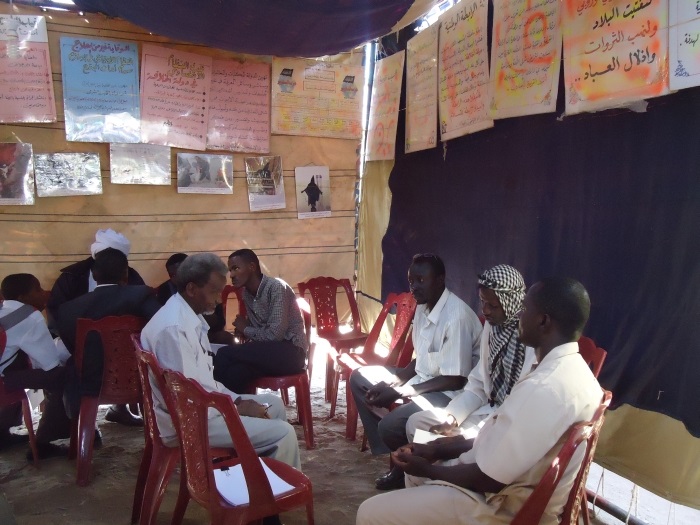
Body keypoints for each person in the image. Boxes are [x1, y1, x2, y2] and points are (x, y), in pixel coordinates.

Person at [356, 277, 603, 525]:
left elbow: (489, 479)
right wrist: (437, 449)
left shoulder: (544, 387)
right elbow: (501, 437)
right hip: (506, 484)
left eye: (525, 308)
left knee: (370, 512)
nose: (519, 315)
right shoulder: (580, 376)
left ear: (543, 321)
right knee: (420, 453)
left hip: (503, 507)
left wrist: (428, 469)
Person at [140, 253, 301, 474]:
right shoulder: (174, 329)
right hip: (189, 422)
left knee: (274, 404)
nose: (218, 300)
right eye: (214, 292)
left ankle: (257, 480)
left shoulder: (186, 317)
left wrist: (237, 399)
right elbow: (187, 398)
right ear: (191, 289)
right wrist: (235, 407)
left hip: (202, 410)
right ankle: (269, 490)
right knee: (284, 433)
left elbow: (203, 382)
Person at [349, 253, 482, 490]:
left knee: (389, 427)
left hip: (450, 393)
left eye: (421, 280)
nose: (414, 287)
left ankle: (400, 465)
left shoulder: (456, 317)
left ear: (440, 280)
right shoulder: (422, 307)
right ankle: (397, 456)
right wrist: (393, 382)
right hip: (423, 380)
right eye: (411, 281)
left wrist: (402, 392)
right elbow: (421, 358)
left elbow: (455, 379)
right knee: (359, 378)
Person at [406, 265, 536, 442]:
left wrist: (465, 436)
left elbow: (524, 404)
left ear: (511, 302)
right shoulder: (492, 327)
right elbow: (478, 385)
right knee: (416, 423)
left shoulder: (530, 339)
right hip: (486, 409)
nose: (485, 311)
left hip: (510, 422)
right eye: (482, 302)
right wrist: (451, 419)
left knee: (439, 444)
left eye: (493, 305)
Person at [46, 228, 146, 426]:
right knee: (54, 361)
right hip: (76, 341)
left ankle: (119, 409)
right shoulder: (73, 276)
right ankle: (66, 422)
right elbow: (56, 315)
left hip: (123, 344)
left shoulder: (132, 276)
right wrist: (76, 341)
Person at [212, 249, 307, 393]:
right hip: (268, 353)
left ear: (252, 267)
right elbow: (259, 334)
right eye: (230, 270)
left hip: (291, 353)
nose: (231, 275)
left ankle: (213, 400)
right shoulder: (247, 294)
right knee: (236, 372)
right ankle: (237, 406)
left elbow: (275, 335)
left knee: (224, 353)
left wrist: (246, 329)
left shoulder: (276, 288)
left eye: (236, 268)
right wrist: (246, 330)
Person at [0, 274, 72, 460]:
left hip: (5, 373)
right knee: (63, 376)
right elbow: (49, 363)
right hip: (2, 381)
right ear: (23, 297)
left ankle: (2, 434)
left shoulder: (3, 310)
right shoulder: (29, 315)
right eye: (38, 289)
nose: (43, 293)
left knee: (20, 367)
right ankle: (43, 444)